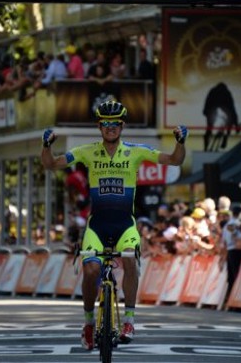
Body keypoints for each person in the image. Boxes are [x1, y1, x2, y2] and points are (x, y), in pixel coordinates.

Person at [40, 100, 187, 350]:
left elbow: (174, 160)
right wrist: (46, 146)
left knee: (129, 259)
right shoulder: (87, 151)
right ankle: (88, 323)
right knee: (90, 272)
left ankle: (129, 320)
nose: (110, 128)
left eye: (115, 124)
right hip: (97, 227)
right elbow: (51, 164)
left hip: (124, 226)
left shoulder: (135, 151)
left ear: (122, 126)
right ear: (99, 126)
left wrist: (180, 142)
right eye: (106, 124)